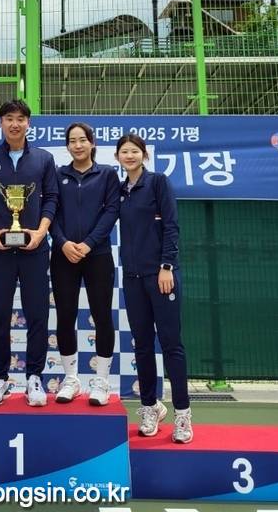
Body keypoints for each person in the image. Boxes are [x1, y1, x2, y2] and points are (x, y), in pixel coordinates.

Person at [0, 99, 59, 407]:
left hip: (35, 249)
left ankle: (34, 377)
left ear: (28, 124)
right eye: (9, 118)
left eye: (20, 119)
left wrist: (41, 232)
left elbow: (51, 198)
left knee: (37, 313)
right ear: (0, 123)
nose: (15, 124)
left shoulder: (44, 159)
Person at [115, 133, 193, 443]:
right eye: (124, 152)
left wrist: (166, 266)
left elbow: (171, 225)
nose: (129, 156)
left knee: (172, 345)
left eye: (134, 151)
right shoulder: (120, 190)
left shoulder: (158, 182)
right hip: (132, 278)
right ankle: (150, 407)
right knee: (143, 346)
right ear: (118, 157)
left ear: (144, 155)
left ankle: (183, 415)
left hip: (161, 276)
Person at [50, 122, 120, 406]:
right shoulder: (57, 175)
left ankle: (101, 381)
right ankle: (71, 379)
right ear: (67, 145)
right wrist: (63, 243)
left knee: (101, 316)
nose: (77, 145)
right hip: (63, 255)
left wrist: (89, 243)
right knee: (65, 316)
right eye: (72, 141)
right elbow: (50, 212)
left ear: (92, 143)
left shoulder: (107, 174)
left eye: (82, 140)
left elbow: (112, 211)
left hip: (98, 255)